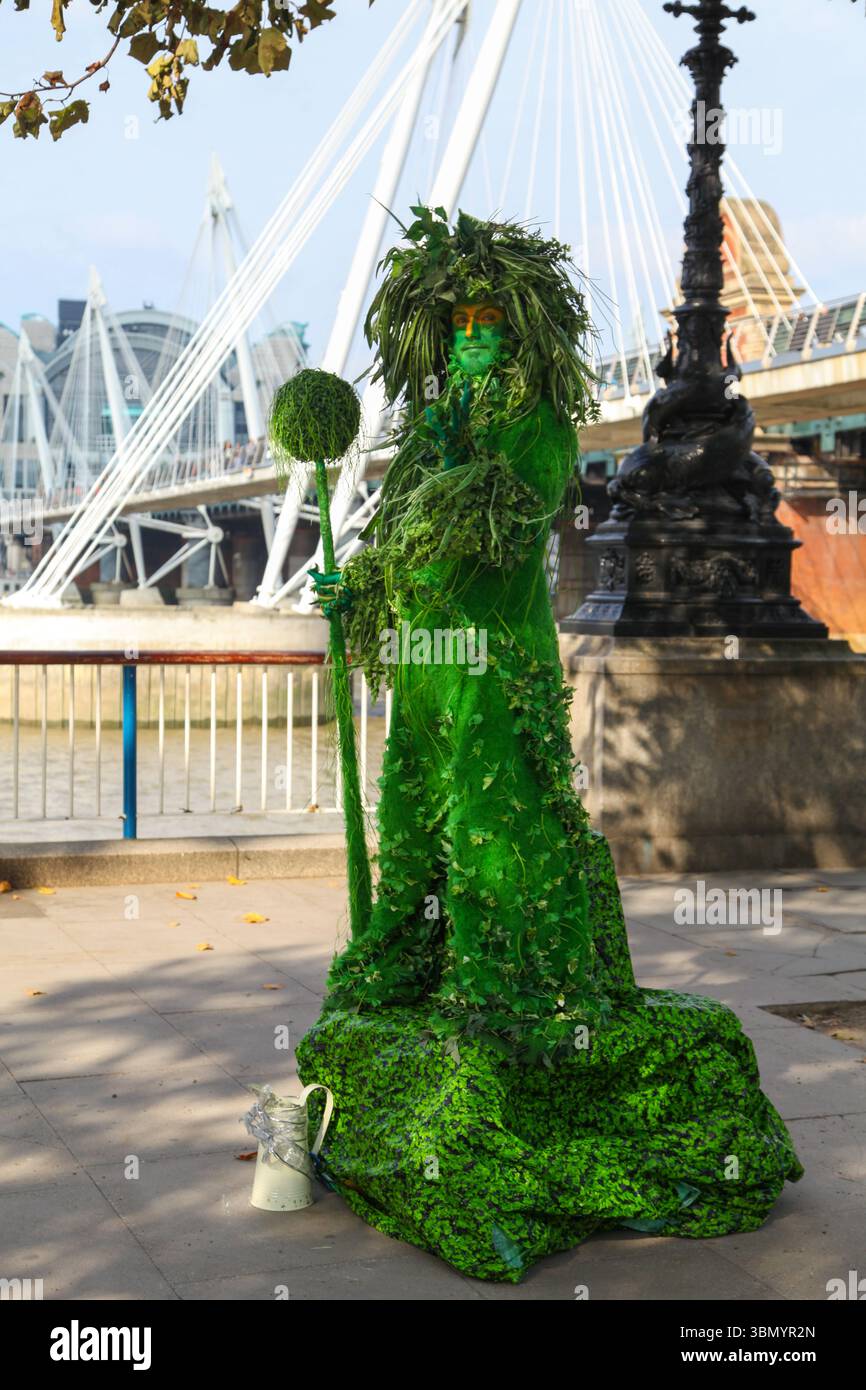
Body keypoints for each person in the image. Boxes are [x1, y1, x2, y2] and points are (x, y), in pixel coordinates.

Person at [297, 209, 802, 1283]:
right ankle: (407, 952)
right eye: (459, 326)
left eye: (488, 325)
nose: (474, 341)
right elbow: (396, 545)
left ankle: (502, 977)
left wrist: (443, 473)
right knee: (413, 810)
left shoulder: (529, 426)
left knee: (496, 816)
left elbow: (501, 514)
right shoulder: (430, 426)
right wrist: (353, 588)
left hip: (492, 652)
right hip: (428, 660)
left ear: (515, 335)